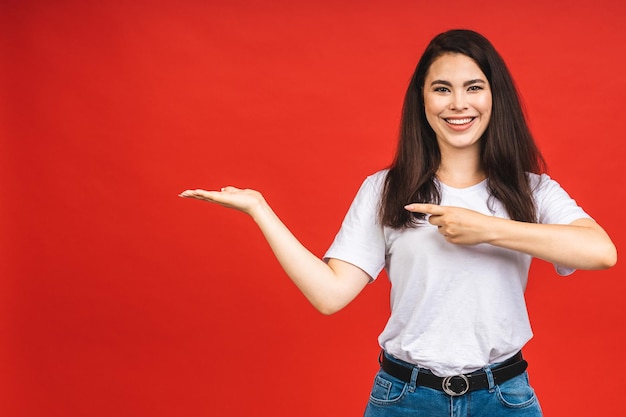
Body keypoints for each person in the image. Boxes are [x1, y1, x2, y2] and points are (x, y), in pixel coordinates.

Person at [179, 29, 617, 417]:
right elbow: (329, 295)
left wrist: (486, 228)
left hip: (503, 397)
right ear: (422, 100)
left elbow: (601, 252)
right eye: (442, 89)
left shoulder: (530, 190)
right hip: (405, 399)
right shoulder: (387, 189)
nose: (459, 104)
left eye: (474, 88)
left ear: (494, 97)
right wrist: (260, 210)